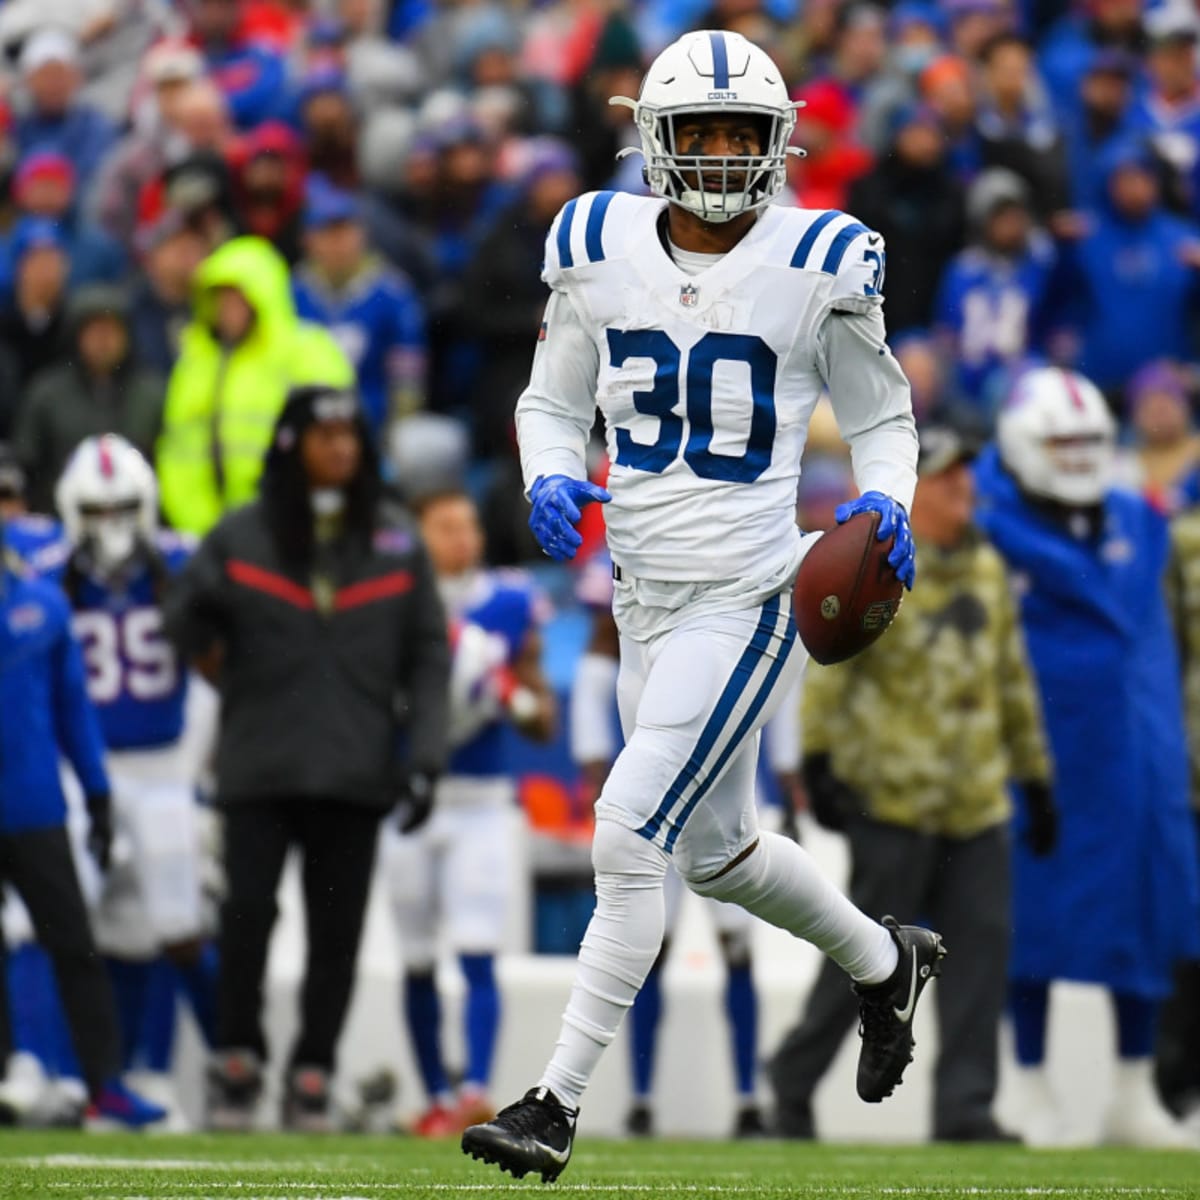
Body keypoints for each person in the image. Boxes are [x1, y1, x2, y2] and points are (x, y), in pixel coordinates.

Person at [461, 30, 942, 1183]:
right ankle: (885, 962)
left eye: (744, 135)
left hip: (751, 589)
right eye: (702, 133)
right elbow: (548, 399)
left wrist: (884, 502)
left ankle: (553, 1101)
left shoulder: (823, 256)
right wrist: (546, 474)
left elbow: (881, 416)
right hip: (642, 591)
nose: (724, 157)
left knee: (630, 833)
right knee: (717, 852)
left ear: (779, 145)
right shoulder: (592, 239)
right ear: (655, 140)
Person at [163, 384, 449, 1132]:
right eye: (325, 436)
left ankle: (313, 1070)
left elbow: (427, 657)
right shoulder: (240, 535)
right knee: (245, 919)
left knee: (337, 935)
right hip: (258, 764)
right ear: (293, 445)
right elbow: (181, 623)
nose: (342, 449)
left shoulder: (395, 539)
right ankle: (236, 1060)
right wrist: (194, 616)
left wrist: (425, 755)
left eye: (351, 434)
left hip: (354, 773)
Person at [770, 425, 1053, 1144]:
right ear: (918, 491)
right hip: (892, 801)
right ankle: (792, 1085)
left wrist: (1036, 778)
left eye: (968, 479)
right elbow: (832, 663)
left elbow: (1012, 677)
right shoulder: (878, 565)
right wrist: (820, 761)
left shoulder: (987, 567)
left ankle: (966, 1106)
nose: (966, 491)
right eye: (951, 480)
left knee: (981, 964)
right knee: (864, 964)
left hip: (978, 801)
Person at [974, 366, 1200, 1147]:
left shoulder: (1142, 521)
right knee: (1030, 925)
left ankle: (1133, 1092)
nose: (1077, 454)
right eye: (1061, 440)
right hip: (1043, 759)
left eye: (1089, 440)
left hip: (1138, 755)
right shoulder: (983, 521)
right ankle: (1028, 1083)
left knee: (1145, 922)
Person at [570, 546, 800, 1140]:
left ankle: (748, 1097)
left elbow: (775, 701)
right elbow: (593, 701)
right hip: (649, 814)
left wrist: (792, 786)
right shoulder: (619, 637)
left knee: (737, 951)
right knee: (649, 951)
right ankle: (643, 1097)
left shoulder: (720, 592)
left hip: (717, 806)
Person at [49, 435, 214, 1125]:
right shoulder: (48, 570)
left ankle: (212, 1064)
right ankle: (63, 1073)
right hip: (82, 768)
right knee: (62, 920)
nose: (111, 524)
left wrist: (193, 771)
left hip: (164, 764)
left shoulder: (179, 563)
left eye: (123, 507)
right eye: (95, 508)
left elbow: (214, 673)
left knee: (172, 922)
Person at [384, 488, 555, 1137]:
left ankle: (476, 1090)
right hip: (412, 798)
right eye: (445, 526)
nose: (461, 537)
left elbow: (543, 719)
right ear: (420, 535)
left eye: (469, 525)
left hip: (482, 801)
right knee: (418, 956)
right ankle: (433, 1094)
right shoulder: (399, 603)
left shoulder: (508, 603)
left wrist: (507, 695)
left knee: (479, 949)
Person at [0, 516, 166, 1128]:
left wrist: (96, 792)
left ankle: (105, 1083)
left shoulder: (41, 605)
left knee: (74, 943)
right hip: (30, 798)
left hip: (33, 803)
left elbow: (73, 705)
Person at [155, 236, 354, 536]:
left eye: (238, 298)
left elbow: (332, 442)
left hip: (290, 525)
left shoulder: (308, 352)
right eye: (220, 298)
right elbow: (178, 450)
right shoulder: (196, 361)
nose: (227, 309)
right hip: (209, 531)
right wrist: (199, 525)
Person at [292, 179, 427, 442]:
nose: (337, 243)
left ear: (361, 234)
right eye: (327, 233)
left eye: (344, 231)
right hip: (303, 430)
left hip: (371, 429)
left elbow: (407, 379)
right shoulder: (291, 292)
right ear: (308, 239)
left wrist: (395, 436)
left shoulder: (392, 293)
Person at [14, 287, 164, 513]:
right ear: (76, 337)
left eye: (111, 331)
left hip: (136, 521)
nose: (103, 341)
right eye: (94, 331)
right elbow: (25, 461)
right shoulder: (47, 393)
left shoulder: (152, 394)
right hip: (59, 523)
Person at [933, 169, 1055, 418]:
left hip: (1020, 377)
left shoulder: (1041, 264)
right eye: (1001, 218)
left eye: (1016, 216)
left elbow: (1050, 326)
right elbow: (947, 330)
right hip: (967, 378)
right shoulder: (963, 270)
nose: (1011, 226)